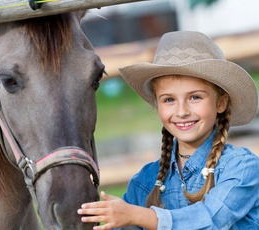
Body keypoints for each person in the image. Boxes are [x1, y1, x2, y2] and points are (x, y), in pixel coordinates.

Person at [77, 31, 259, 229]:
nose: (181, 111)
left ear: (221, 103)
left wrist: (136, 215)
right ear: (158, 104)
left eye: (195, 97)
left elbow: (210, 220)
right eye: (169, 100)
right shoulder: (144, 182)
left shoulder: (242, 168)